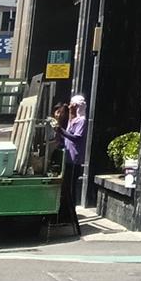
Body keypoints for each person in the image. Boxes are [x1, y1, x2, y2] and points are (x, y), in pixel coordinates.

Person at [59, 94, 87, 235]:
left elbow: (76, 137)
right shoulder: (72, 119)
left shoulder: (81, 121)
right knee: (65, 188)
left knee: (71, 189)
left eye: (73, 105)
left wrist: (61, 131)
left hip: (74, 160)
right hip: (67, 158)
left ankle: (71, 216)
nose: (70, 107)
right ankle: (65, 215)